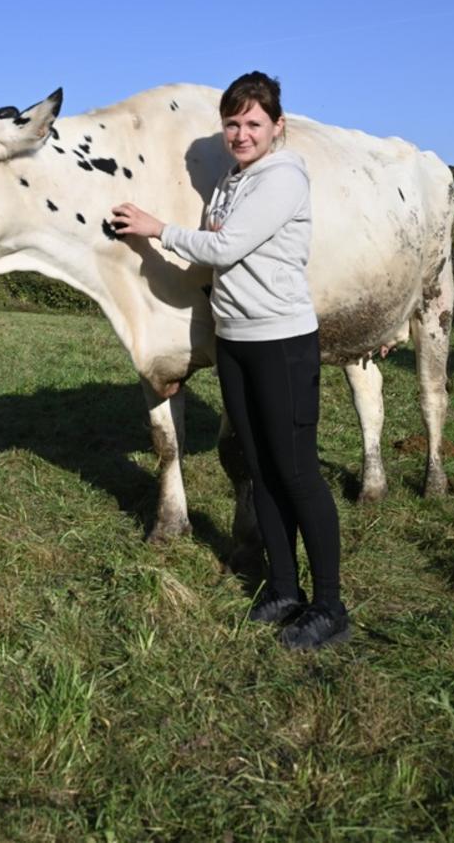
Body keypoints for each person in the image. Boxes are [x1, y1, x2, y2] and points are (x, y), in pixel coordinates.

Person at [112, 71, 350, 651]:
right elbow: (219, 236)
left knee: (296, 473)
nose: (241, 133)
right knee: (259, 469)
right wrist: (206, 233)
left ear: (277, 127)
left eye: (253, 123)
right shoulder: (231, 180)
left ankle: (330, 606)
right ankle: (284, 589)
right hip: (237, 341)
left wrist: (156, 228)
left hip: (282, 344)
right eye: (232, 123)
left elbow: (222, 246)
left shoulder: (283, 176)